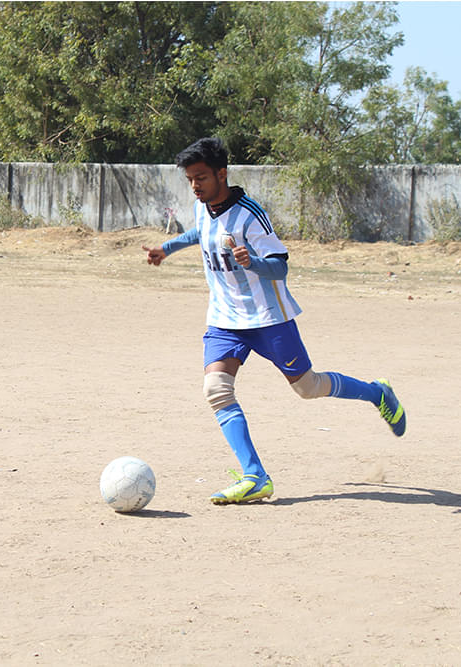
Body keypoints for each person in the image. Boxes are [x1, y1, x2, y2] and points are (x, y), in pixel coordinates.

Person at [141, 137, 406, 505]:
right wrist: (166, 249)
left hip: (268, 319)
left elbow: (280, 266)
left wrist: (253, 263)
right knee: (216, 389)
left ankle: (378, 393)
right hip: (224, 318)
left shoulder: (251, 214)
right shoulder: (203, 207)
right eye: (189, 179)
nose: (195, 186)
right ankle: (255, 476)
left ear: (222, 174)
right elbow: (199, 232)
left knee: (307, 387)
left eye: (200, 177)